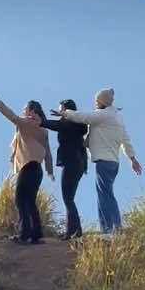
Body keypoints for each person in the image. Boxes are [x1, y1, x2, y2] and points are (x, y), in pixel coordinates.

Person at [59, 88, 142, 235]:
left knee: (106, 194)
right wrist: (132, 158)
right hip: (113, 162)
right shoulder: (117, 117)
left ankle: (113, 229)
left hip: (104, 161)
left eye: (97, 101)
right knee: (104, 193)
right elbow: (126, 140)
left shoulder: (103, 115)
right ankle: (107, 229)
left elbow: (83, 117)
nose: (95, 104)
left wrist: (65, 113)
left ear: (102, 102)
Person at [0, 89, 53, 244]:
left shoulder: (28, 123)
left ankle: (24, 234)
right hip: (37, 169)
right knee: (30, 201)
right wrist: (49, 171)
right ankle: (36, 235)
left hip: (28, 167)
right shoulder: (43, 128)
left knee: (20, 200)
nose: (23, 111)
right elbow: (48, 152)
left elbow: (13, 118)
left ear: (32, 111)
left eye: (25, 109)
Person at [41, 99, 88, 240]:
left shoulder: (69, 123)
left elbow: (54, 125)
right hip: (78, 164)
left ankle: (73, 232)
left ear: (67, 111)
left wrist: (41, 119)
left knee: (68, 198)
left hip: (71, 163)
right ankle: (73, 230)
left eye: (62, 110)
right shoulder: (78, 124)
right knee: (69, 198)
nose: (60, 112)